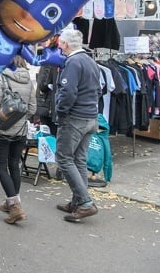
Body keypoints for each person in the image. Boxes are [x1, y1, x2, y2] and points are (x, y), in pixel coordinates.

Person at [54, 27, 101, 222]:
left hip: (75, 118)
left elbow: (68, 92)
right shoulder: (90, 61)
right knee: (79, 160)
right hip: (91, 116)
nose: (59, 46)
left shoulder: (72, 62)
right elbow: (99, 89)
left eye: (60, 43)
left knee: (64, 158)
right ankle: (78, 201)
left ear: (65, 44)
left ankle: (85, 202)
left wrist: (60, 110)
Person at [0, 56, 36, 224]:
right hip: (21, 130)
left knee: (1, 167)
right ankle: (12, 202)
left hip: (3, 128)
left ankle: (15, 206)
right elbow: (32, 108)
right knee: (15, 164)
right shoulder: (29, 80)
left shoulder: (2, 76)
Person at [35, 34, 62, 135]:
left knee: (47, 137)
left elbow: (43, 83)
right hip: (56, 104)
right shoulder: (63, 56)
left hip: (47, 103)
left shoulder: (49, 57)